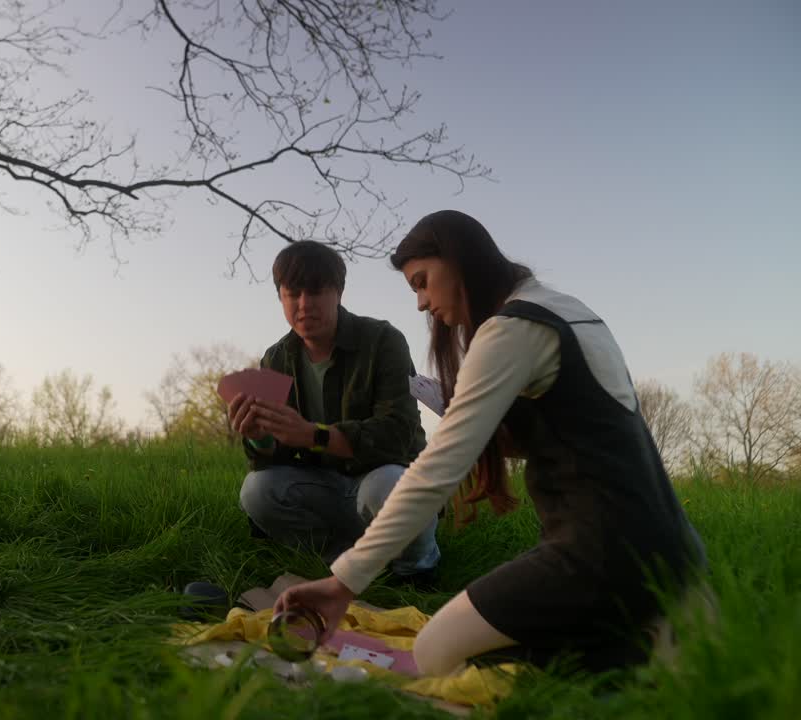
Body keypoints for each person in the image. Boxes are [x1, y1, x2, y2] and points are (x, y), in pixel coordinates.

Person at [273, 211, 708, 674]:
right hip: (672, 547)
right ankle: (643, 635)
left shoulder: (511, 328)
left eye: (423, 282)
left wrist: (343, 581)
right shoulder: (563, 310)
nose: (421, 303)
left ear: (459, 262)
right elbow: (569, 432)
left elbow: (437, 470)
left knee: (435, 652)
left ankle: (628, 661)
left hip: (600, 555)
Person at [229, 240, 440, 583]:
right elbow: (273, 459)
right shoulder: (276, 358)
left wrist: (314, 435)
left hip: (382, 482)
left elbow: (397, 435)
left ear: (339, 291)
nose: (303, 305)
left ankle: (415, 567)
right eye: (292, 293)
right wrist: (259, 439)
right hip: (325, 487)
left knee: (387, 484)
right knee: (256, 490)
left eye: (315, 291)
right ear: (280, 297)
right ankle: (342, 562)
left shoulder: (384, 340)